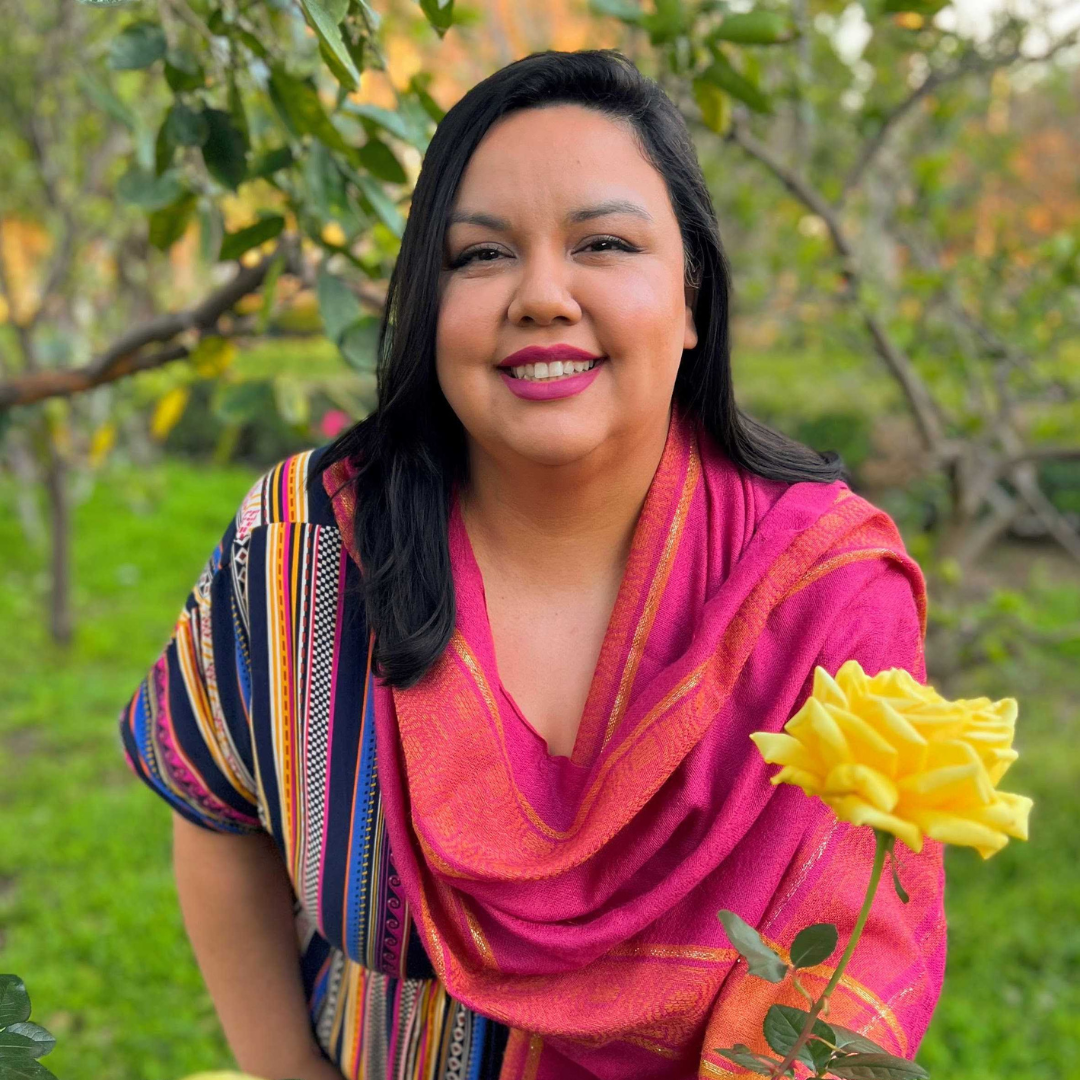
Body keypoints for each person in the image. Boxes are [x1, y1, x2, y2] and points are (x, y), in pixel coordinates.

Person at [119, 49, 946, 1080]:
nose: (543, 296)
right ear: (430, 304)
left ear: (691, 301)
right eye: (481, 257)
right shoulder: (307, 549)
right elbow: (216, 809)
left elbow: (860, 933)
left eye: (603, 242)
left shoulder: (818, 589)